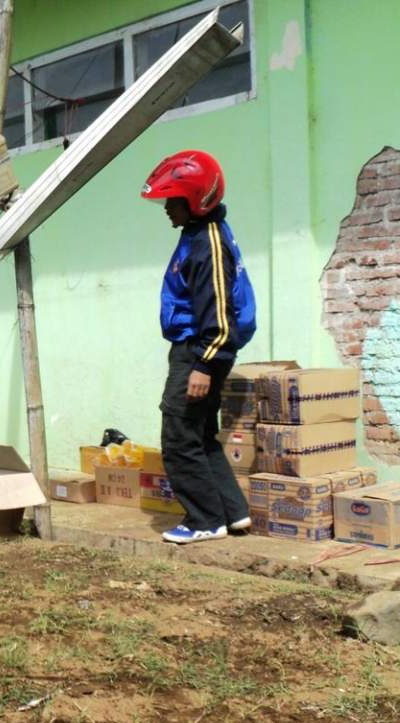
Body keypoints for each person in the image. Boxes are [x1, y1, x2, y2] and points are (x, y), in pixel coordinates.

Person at [140, 149, 256, 544]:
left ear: (195, 201)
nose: (167, 209)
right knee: (201, 435)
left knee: (178, 435)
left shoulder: (207, 244)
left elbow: (220, 316)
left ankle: (204, 520)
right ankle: (233, 513)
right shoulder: (198, 235)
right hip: (197, 349)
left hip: (199, 350)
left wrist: (204, 365)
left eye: (173, 201)